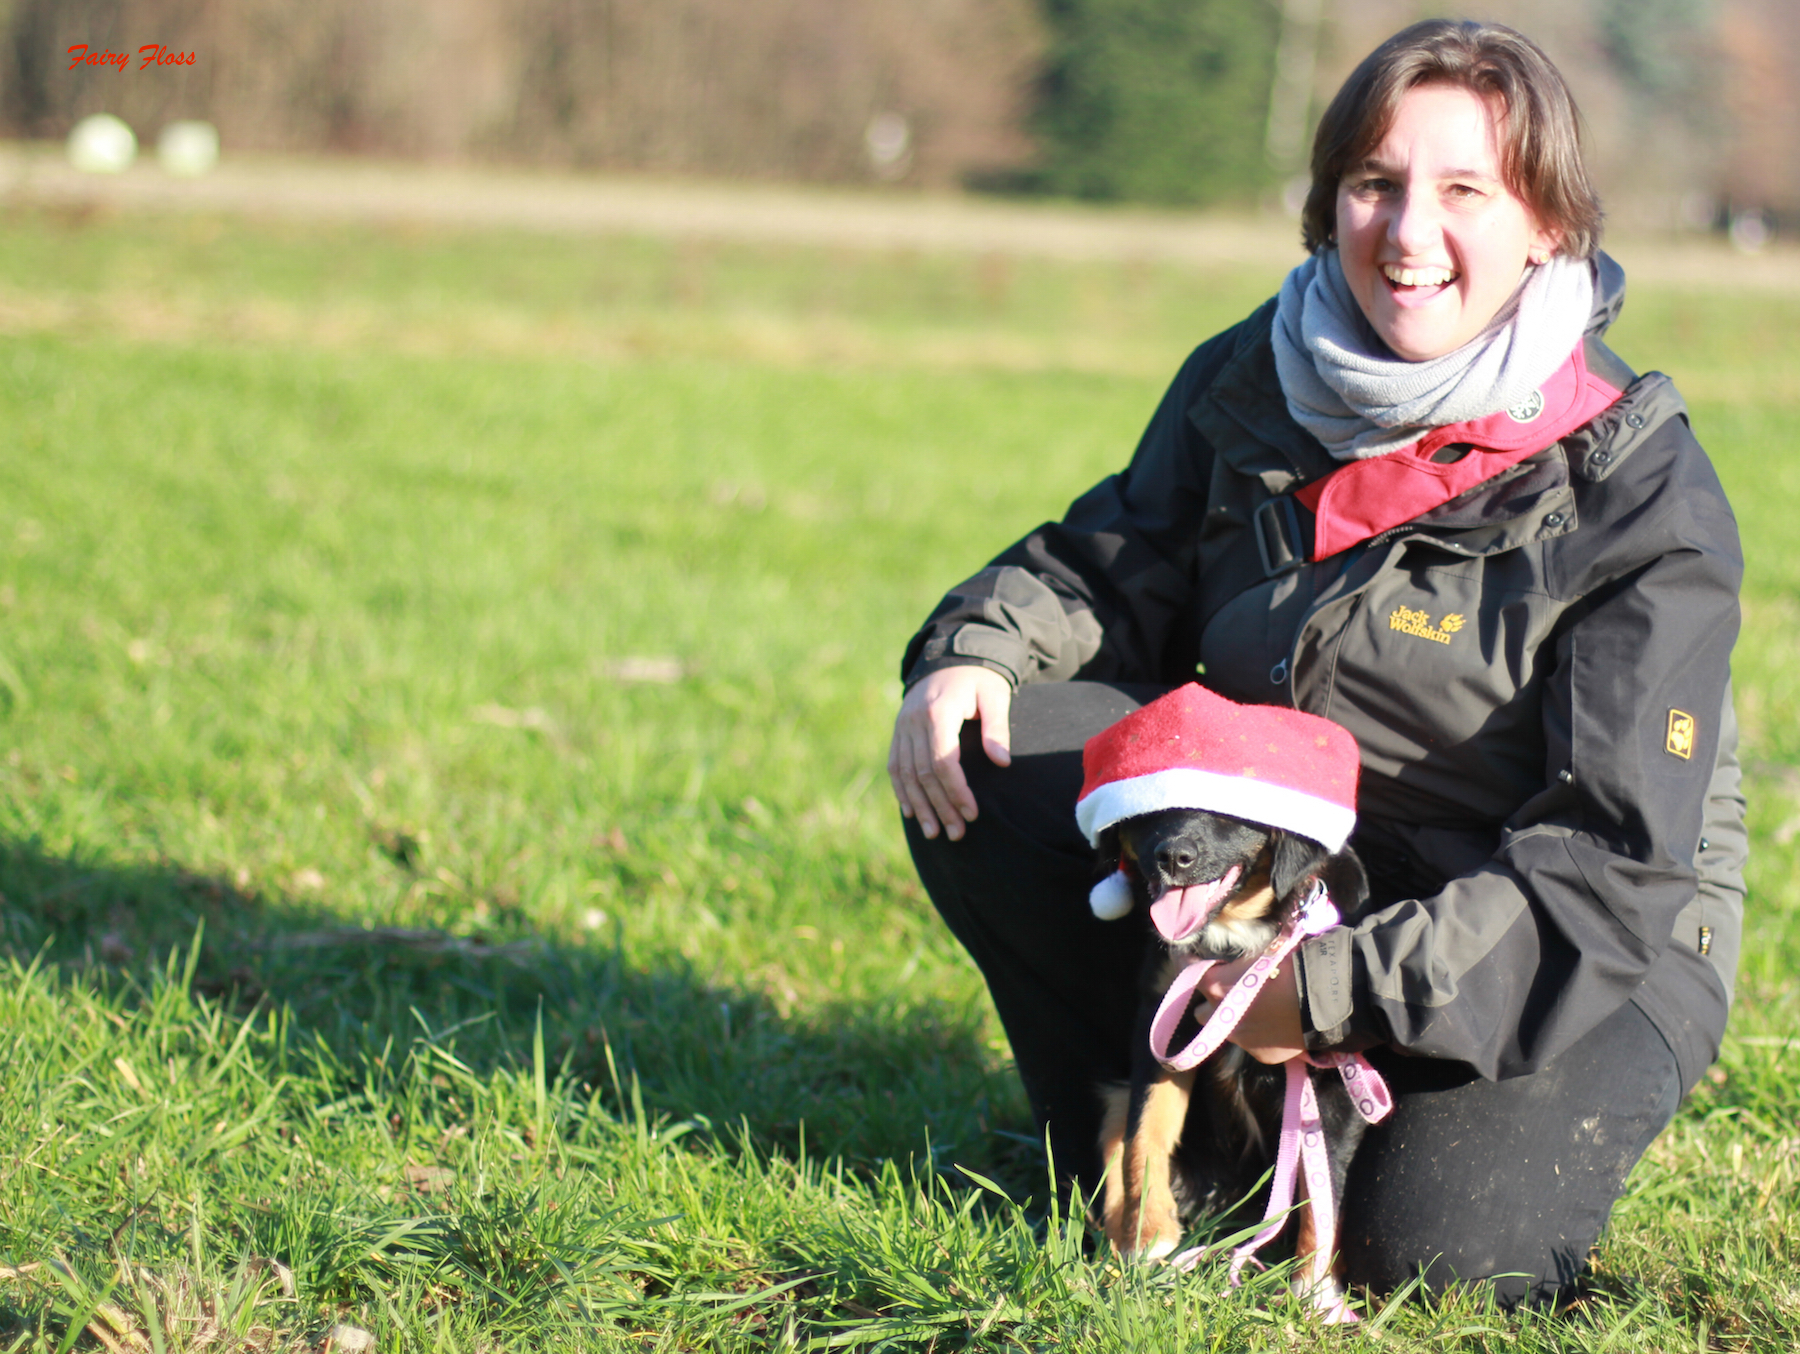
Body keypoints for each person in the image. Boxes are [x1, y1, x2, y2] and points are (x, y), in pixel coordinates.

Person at [887, 18, 1745, 1309]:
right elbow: (1119, 560)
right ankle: (1138, 1155)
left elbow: (1608, 865)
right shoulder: (1256, 373)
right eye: (1373, 183)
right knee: (987, 755)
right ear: (1326, 202)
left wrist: (1323, 991)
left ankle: (1298, 1123)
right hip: (1287, 855)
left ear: (1548, 223)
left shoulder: (1637, 492)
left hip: (1562, 925)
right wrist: (973, 652)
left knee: (1436, 1260)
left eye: (1465, 191)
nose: (1407, 232)